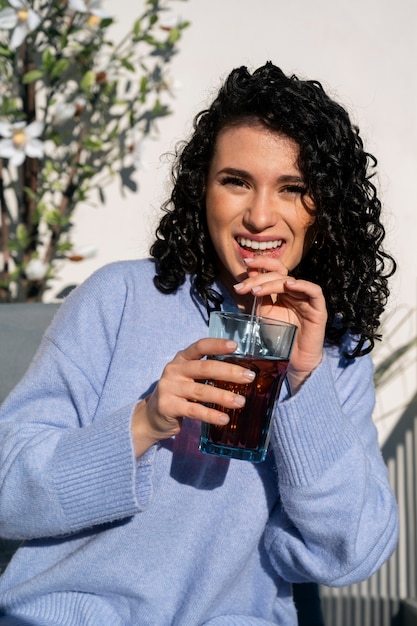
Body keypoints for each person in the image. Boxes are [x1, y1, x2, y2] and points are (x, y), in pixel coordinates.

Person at [0, 62, 398, 625]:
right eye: (236, 181)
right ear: (202, 189)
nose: (260, 216)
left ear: (325, 209)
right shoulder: (121, 297)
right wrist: (145, 421)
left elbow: (350, 552)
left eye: (292, 188)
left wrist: (303, 383)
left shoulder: (333, 350)